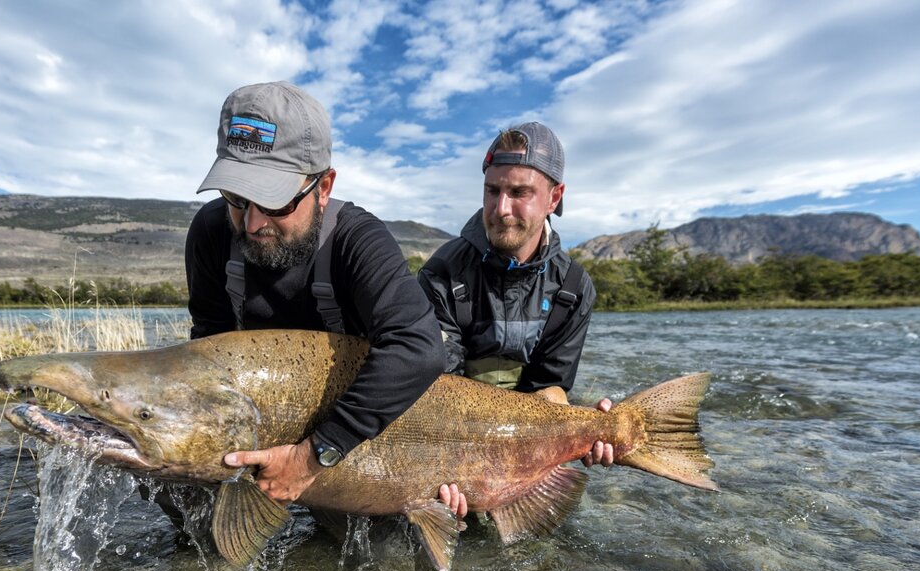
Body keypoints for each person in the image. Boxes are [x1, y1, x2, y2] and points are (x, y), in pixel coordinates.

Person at [184, 81, 445, 506]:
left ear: (323, 186)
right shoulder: (210, 234)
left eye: (274, 202)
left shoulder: (358, 241)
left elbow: (419, 348)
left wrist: (312, 457)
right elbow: (209, 344)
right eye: (235, 196)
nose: (251, 223)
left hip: (349, 434)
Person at [417, 122, 613, 518]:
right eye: (493, 191)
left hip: (523, 447)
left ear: (554, 197)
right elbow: (439, 393)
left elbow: (549, 390)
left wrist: (586, 429)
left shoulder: (573, 288)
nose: (501, 208)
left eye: (520, 192)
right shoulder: (441, 272)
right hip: (450, 439)